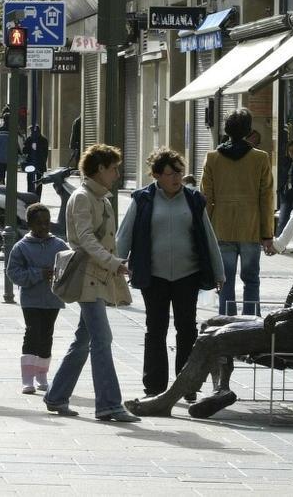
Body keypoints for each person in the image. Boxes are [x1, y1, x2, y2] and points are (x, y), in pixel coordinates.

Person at [127, 213, 293, 419]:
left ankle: (166, 400)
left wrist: (287, 311)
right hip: (284, 326)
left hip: (292, 336)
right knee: (212, 323)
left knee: (210, 340)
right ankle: (221, 390)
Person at [115, 148, 225, 399]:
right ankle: (154, 386)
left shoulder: (194, 199)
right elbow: (125, 234)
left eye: (179, 172)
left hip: (188, 274)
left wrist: (218, 271)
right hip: (154, 275)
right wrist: (116, 264)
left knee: (187, 329)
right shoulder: (142, 199)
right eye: (171, 173)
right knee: (156, 328)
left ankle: (187, 385)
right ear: (157, 175)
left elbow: (208, 237)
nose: (176, 178)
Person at [42, 144, 137, 422]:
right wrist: (113, 263)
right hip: (87, 279)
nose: (117, 174)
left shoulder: (102, 199)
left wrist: (116, 265)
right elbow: (85, 238)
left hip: (99, 278)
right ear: (99, 170)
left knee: (84, 340)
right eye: (113, 169)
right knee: (102, 339)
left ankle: (57, 395)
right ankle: (108, 404)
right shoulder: (83, 197)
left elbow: (106, 241)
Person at [201, 108, 275, 316]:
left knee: (225, 279)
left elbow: (205, 198)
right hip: (250, 227)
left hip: (221, 227)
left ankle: (227, 320)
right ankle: (251, 321)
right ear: (249, 130)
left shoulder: (212, 158)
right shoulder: (260, 158)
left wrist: (203, 230)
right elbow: (266, 198)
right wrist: (267, 234)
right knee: (251, 279)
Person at [7, 203, 67, 394]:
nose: (44, 227)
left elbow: (70, 265)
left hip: (53, 300)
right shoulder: (21, 247)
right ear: (30, 224)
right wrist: (38, 274)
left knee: (47, 335)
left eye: (47, 222)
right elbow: (14, 273)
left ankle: (42, 374)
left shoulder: (59, 245)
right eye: (39, 223)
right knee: (32, 333)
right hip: (31, 300)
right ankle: (27, 378)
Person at [23, 125, 48, 195]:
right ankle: (38, 197)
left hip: (31, 163)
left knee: (30, 180)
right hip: (40, 164)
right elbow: (46, 153)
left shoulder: (29, 139)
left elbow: (24, 151)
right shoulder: (44, 140)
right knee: (39, 182)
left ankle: (30, 195)